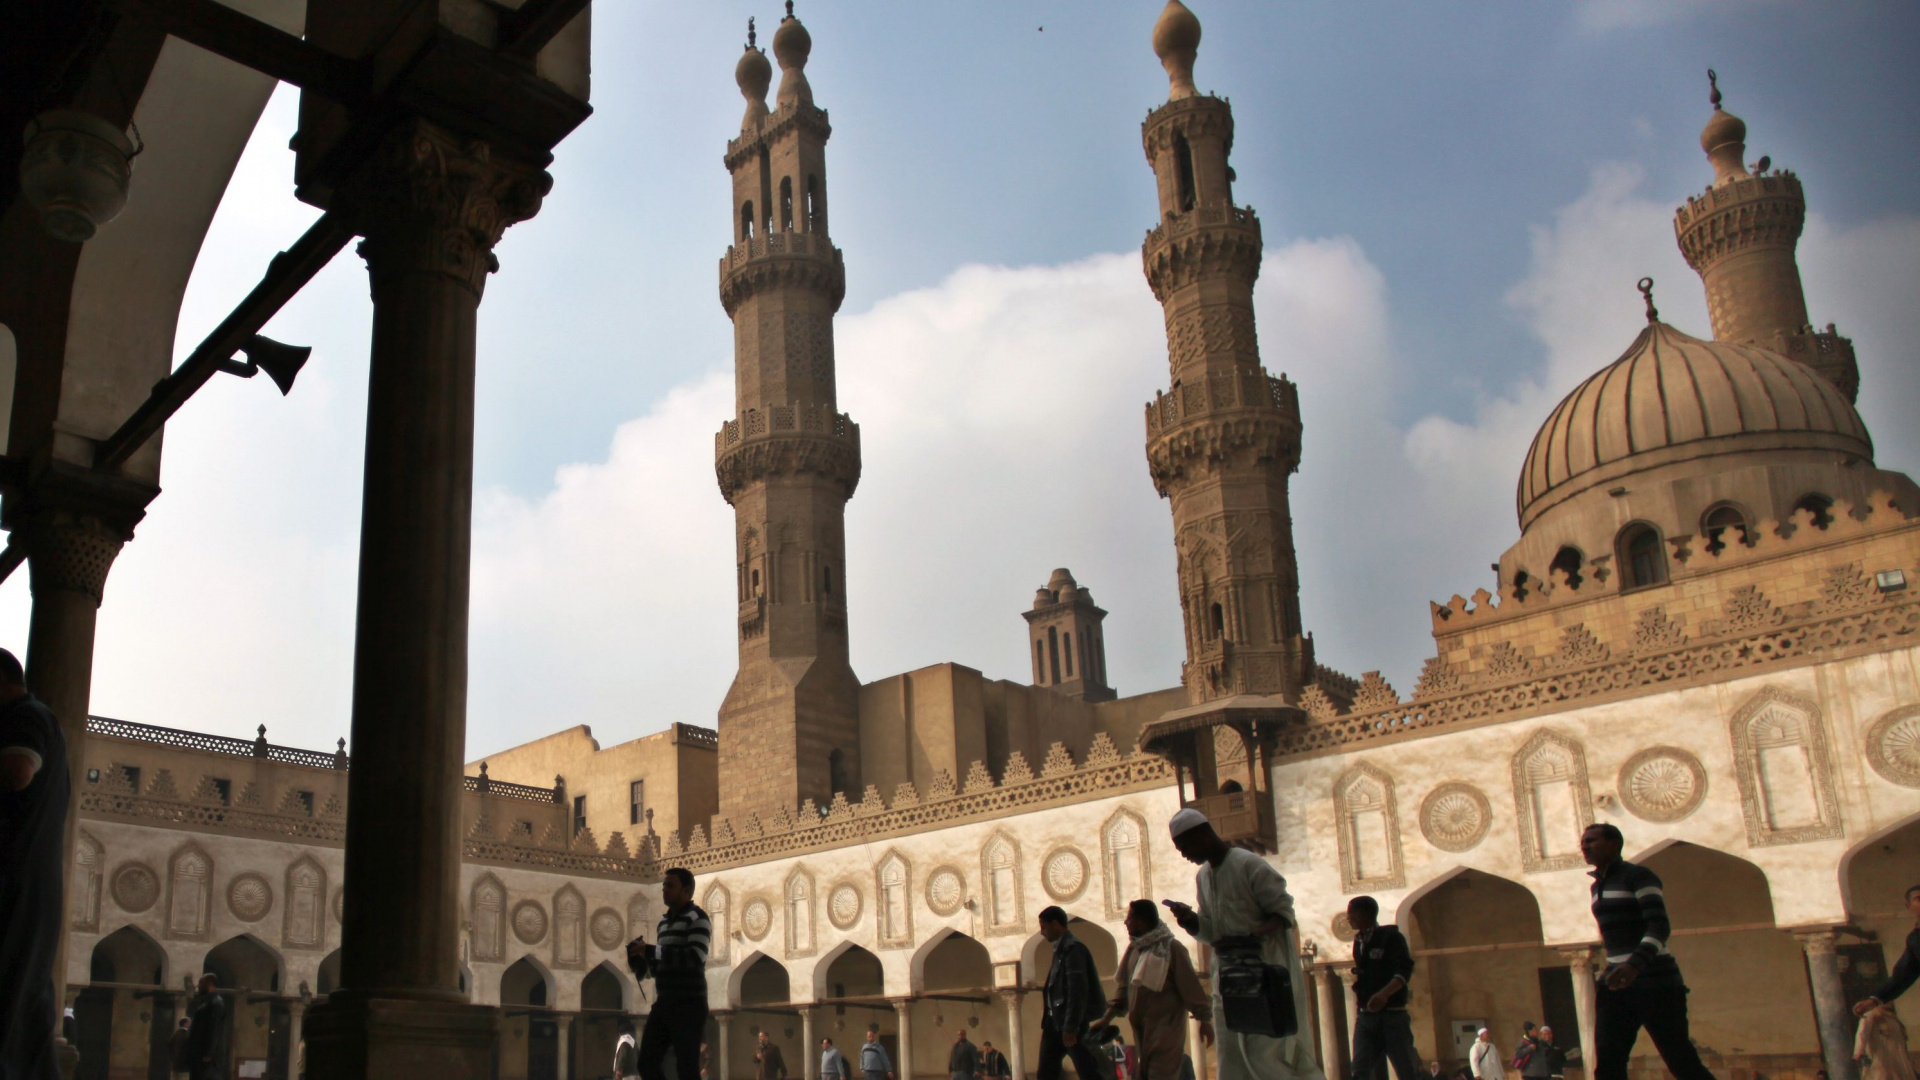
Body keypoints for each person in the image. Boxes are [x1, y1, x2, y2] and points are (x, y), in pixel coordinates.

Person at [1163, 809, 1323, 1080]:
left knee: (1267, 1055)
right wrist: (1191, 921)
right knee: (1233, 1054)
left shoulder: (1249, 864)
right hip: (1229, 981)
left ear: (1202, 835)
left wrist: (1251, 937)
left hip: (1264, 978)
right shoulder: (1203, 877)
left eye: (1184, 847)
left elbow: (1283, 915)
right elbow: (1212, 932)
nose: (1184, 855)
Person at [1581, 823, 1715, 1080]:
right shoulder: (1597, 887)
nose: (1586, 846)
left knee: (1680, 1059)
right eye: (1583, 842)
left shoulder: (1639, 876)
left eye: (1592, 841)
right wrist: (1615, 969)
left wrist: (1634, 965)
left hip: (1656, 980)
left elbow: (1659, 926)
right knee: (1608, 1062)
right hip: (1616, 984)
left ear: (1614, 844)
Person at [0, 649, 68, 1080]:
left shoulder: (27, 716)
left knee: (9, 1001)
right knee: (27, 1008)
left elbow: (19, 769)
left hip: (16, 882)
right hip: (32, 883)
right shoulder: (42, 718)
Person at [1090, 899, 1213, 1080]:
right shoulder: (1134, 951)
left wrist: (1204, 1020)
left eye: (1129, 918)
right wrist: (1107, 1018)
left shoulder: (1171, 949)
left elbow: (1190, 987)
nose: (1125, 922)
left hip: (1166, 1032)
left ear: (1142, 921)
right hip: (1142, 1032)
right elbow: (1123, 992)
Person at [628, 867, 711, 1080]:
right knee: (646, 1063)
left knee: (687, 1068)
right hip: (666, 1003)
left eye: (670, 885)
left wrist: (650, 950)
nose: (665, 889)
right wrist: (642, 966)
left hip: (689, 1003)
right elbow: (663, 964)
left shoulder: (698, 918)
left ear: (687, 890)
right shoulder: (663, 924)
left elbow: (694, 958)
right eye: (664, 885)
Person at [1343, 896, 1418, 1080]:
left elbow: (1403, 971)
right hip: (1366, 1017)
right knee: (1360, 1069)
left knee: (1405, 1069)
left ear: (1363, 914)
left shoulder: (1390, 938)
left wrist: (1384, 994)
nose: (1348, 918)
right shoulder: (1359, 942)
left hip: (1392, 1016)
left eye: (1351, 913)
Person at [1036, 905, 1111, 1080]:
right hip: (1055, 1023)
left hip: (1069, 1024)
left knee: (1087, 1070)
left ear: (1055, 924)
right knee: (1046, 1072)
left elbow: (1078, 990)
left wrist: (1071, 1026)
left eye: (1044, 927)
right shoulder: (1061, 949)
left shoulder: (1073, 949)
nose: (1042, 932)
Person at [1855, 885, 1920, 1017]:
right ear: (1908, 906)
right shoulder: (1915, 938)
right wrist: (1874, 999)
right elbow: (1903, 975)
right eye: (1919, 899)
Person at [186, 974, 228, 1080]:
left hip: (208, 1060)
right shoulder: (207, 1004)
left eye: (201, 983)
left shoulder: (216, 1004)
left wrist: (208, 1054)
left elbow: (214, 1029)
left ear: (209, 984)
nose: (198, 986)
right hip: (200, 1056)